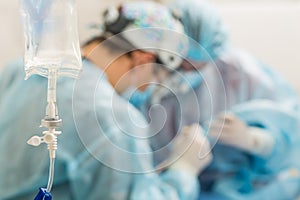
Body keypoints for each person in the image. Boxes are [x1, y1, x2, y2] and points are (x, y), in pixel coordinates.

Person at [0, 2, 213, 199]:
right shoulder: (115, 118)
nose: (150, 88)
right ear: (143, 60)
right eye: (157, 76)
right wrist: (184, 172)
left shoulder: (16, 71)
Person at [128, 0, 300, 199]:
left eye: (197, 68)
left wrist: (255, 140)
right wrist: (180, 168)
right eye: (179, 65)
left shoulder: (240, 74)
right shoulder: (140, 84)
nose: (186, 75)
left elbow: (292, 135)